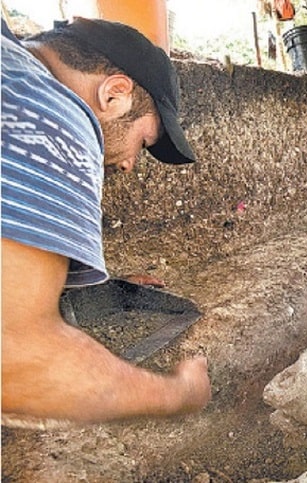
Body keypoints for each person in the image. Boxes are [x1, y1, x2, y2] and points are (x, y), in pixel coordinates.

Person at [1, 17, 212, 425]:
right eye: (143, 141)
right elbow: (15, 361)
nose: (130, 164)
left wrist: (81, 286)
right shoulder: (48, 111)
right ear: (115, 94)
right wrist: (178, 393)